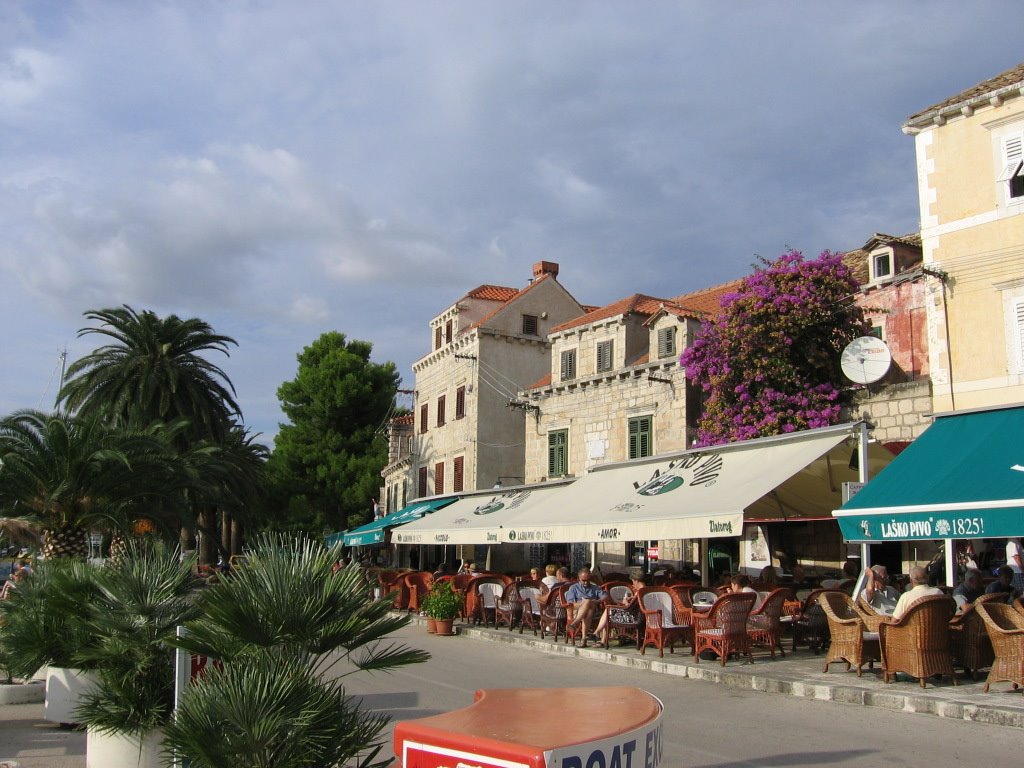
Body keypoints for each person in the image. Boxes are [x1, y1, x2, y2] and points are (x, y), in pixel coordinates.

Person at [594, 574, 648, 647]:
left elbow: (628, 607)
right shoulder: (645, 590)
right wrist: (630, 599)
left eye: (633, 582)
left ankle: (599, 635)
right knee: (608, 611)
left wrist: (625, 602)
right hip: (641, 616)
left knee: (608, 611)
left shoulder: (639, 592)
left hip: (634, 618)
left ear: (636, 580)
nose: (633, 584)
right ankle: (599, 635)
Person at [564, 567, 608, 640]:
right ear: (578, 579)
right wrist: (584, 603)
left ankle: (575, 623)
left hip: (594, 611)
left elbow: (605, 596)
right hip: (577, 610)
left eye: (588, 580)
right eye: (583, 580)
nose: (586, 582)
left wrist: (597, 601)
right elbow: (571, 603)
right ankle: (583, 638)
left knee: (588, 603)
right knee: (588, 607)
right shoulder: (573, 588)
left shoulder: (595, 587)